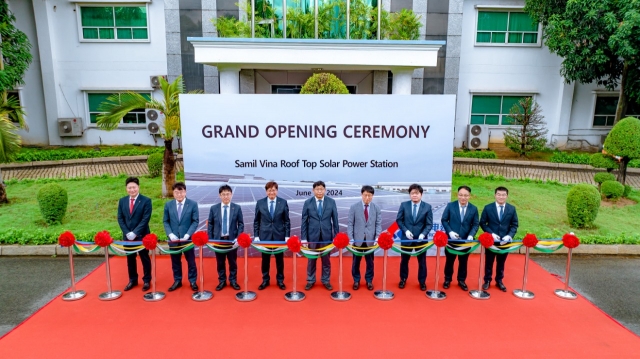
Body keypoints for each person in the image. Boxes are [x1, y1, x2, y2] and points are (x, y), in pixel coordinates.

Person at [301, 181, 339, 291]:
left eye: (321, 189)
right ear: (313, 190)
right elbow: (304, 221)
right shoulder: (308, 202)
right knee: (311, 259)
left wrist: (336, 236)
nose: (319, 191)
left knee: (326, 260)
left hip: (327, 236)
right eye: (317, 189)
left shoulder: (331, 202)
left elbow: (335, 221)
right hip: (312, 236)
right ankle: (310, 280)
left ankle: (326, 280)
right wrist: (304, 238)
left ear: (325, 190)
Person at [479, 186, 519, 292]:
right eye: (499, 194)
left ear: (507, 196)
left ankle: (499, 281)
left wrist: (509, 235)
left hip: (504, 242)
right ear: (495, 195)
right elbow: (483, 223)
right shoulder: (488, 208)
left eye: (503, 195)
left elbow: (514, 225)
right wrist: (491, 234)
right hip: (491, 241)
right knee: (489, 262)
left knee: (501, 262)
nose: (501, 197)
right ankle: (487, 280)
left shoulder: (511, 209)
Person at [441, 185, 479, 291]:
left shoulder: (473, 208)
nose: (463, 197)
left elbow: (475, 224)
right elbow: (444, 220)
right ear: (457, 195)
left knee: (463, 262)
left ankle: (461, 280)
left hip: (466, 241)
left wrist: (471, 235)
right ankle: (447, 279)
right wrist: (450, 232)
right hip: (451, 240)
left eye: (466, 195)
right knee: (450, 261)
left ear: (469, 196)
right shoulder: (450, 206)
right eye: (461, 195)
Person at [117, 177, 152, 291]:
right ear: (126, 188)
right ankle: (133, 280)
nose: (132, 190)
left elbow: (145, 219)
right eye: (129, 187)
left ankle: (147, 280)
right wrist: (127, 232)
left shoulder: (146, 201)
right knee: (130, 259)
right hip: (127, 237)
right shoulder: (122, 201)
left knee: (144, 258)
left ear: (138, 187)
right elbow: (120, 218)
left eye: (134, 187)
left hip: (142, 235)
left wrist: (135, 232)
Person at [254, 181, 291, 290]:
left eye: (274, 190)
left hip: (279, 236)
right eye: (269, 190)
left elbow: (287, 221)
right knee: (265, 260)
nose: (271, 192)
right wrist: (256, 235)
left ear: (277, 191)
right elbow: (256, 221)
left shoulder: (283, 203)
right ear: (266, 191)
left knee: (280, 260)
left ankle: (280, 281)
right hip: (264, 237)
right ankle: (265, 280)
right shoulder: (260, 203)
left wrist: (287, 236)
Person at [163, 182, 199, 292]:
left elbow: (195, 221)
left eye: (181, 192)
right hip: (173, 240)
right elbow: (166, 221)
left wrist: (188, 234)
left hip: (187, 239)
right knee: (175, 261)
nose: (179, 194)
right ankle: (177, 280)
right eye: (176, 192)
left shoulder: (192, 204)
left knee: (191, 261)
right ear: (173, 193)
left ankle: (192, 281)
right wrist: (170, 234)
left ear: (185, 192)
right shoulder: (168, 205)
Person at [396, 183, 433, 291]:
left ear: (421, 194)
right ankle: (403, 279)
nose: (414, 195)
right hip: (406, 238)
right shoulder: (404, 205)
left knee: (422, 262)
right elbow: (399, 220)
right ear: (409, 195)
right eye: (412, 193)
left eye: (417, 193)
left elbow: (429, 224)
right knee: (404, 261)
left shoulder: (427, 207)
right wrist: (406, 231)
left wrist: (423, 234)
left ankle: (422, 282)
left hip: (421, 240)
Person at [208, 185, 245, 291]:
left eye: (228, 194)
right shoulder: (214, 208)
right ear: (220, 195)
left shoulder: (237, 207)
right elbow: (210, 224)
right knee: (220, 262)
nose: (226, 196)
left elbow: (241, 224)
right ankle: (222, 281)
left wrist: (238, 238)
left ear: (231, 195)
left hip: (232, 240)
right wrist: (211, 239)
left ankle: (233, 280)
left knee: (232, 262)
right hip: (218, 240)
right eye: (223, 194)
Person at [347, 185, 382, 291]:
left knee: (370, 262)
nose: (367, 198)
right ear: (361, 194)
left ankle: (369, 281)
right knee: (355, 262)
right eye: (365, 195)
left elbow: (378, 224)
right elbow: (350, 224)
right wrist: (351, 238)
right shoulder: (354, 207)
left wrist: (377, 237)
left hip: (370, 240)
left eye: (370, 195)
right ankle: (356, 280)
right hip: (357, 240)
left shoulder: (376, 208)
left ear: (373, 196)